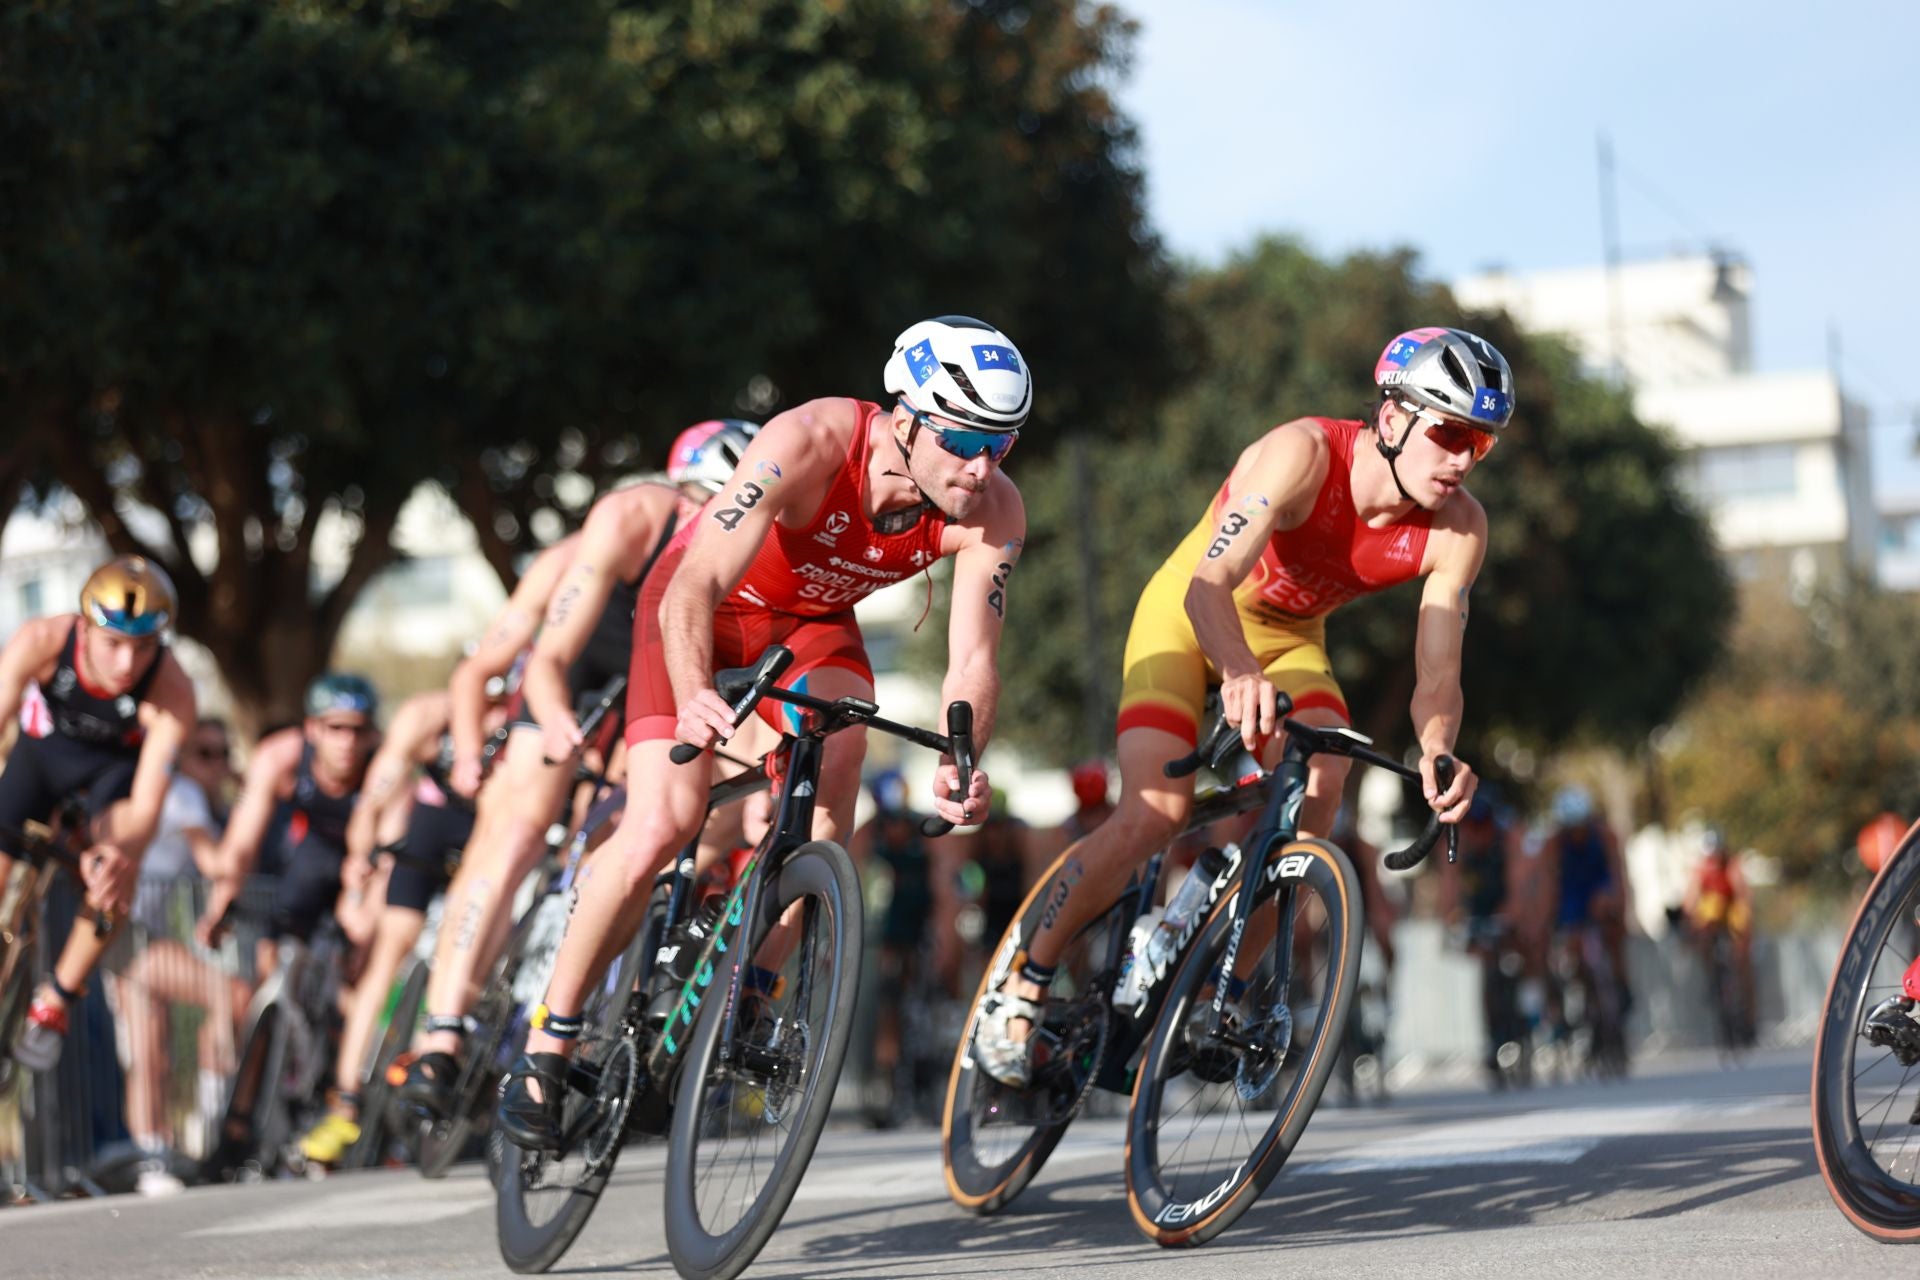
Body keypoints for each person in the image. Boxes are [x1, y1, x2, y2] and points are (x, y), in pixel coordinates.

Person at [498, 315, 1029, 1146]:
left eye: (1003, 443)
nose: (982, 466)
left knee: (842, 750)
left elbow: (973, 660)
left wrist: (965, 756)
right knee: (664, 822)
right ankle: (549, 1039)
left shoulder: (992, 508)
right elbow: (694, 580)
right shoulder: (810, 440)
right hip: (701, 611)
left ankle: (750, 992)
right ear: (909, 418)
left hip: (808, 624)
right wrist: (695, 692)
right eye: (965, 440)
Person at [971, 326, 1507, 1087]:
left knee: (1325, 779)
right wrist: (1236, 672)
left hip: (1289, 640)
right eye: (1450, 431)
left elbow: (1437, 674)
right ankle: (1025, 976)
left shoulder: (1460, 528)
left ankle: (1214, 992)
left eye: (1480, 444)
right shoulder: (1302, 455)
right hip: (1192, 617)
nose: (1461, 458)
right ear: (1391, 418)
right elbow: (1207, 583)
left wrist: (1438, 750)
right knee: (1154, 811)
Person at [399, 422, 758, 1120]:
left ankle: (597, 1001)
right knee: (521, 823)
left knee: (679, 822)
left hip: (648, 695)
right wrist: (499, 744)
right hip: (565, 683)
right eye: (701, 512)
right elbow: (516, 664)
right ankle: (443, 1033)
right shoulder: (618, 526)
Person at [0, 556, 199, 1072]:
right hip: (40, 757)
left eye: (143, 648)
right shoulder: (41, 639)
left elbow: (147, 808)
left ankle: (56, 999)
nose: (127, 665)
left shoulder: (174, 689)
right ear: (84, 627)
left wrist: (111, 852)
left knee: (120, 869)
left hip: (109, 782)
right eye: (113, 644)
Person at [295, 685, 506, 1165]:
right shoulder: (428, 713)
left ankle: (429, 1062)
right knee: (390, 950)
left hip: (487, 829)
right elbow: (375, 796)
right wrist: (359, 864)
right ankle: (346, 1098)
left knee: (466, 940)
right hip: (431, 825)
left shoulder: (521, 715)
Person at [115, 715, 233, 1195]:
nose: (216, 765)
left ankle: (159, 1151)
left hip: (135, 934)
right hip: (126, 934)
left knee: (152, 1043)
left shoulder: (188, 795)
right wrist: (252, 813)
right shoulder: (181, 791)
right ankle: (186, 1141)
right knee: (223, 995)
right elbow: (217, 863)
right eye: (204, 753)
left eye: (223, 755)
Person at [1538, 782, 1632, 1030]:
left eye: (1581, 826)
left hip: (1600, 886)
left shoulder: (1605, 836)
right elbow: (1549, 882)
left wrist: (1619, 907)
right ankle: (1588, 997)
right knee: (1574, 944)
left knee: (1614, 935)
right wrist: (1549, 916)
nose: (1577, 833)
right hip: (1572, 892)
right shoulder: (1554, 843)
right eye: (1571, 828)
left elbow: (1618, 874)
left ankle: (1622, 985)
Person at [1683, 825, 1755, 1045]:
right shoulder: (1701, 870)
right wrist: (1690, 924)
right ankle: (1711, 973)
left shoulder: (1732, 866)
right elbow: (1691, 899)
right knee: (1703, 927)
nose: (1714, 860)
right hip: (1713, 909)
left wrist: (1744, 926)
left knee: (1741, 954)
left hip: (1732, 907)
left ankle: (1745, 1006)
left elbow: (1742, 894)